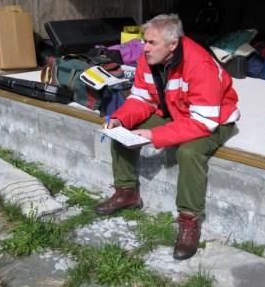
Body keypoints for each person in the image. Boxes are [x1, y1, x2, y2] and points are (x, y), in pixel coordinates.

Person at [95, 14, 240, 260]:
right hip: (177, 112)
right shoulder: (148, 59)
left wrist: (154, 134)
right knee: (120, 131)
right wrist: (120, 118)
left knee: (189, 151)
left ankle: (189, 221)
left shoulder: (199, 64)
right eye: (144, 41)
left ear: (172, 45)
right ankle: (126, 192)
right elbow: (141, 99)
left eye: (152, 43)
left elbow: (203, 121)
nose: (144, 48)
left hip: (214, 119)